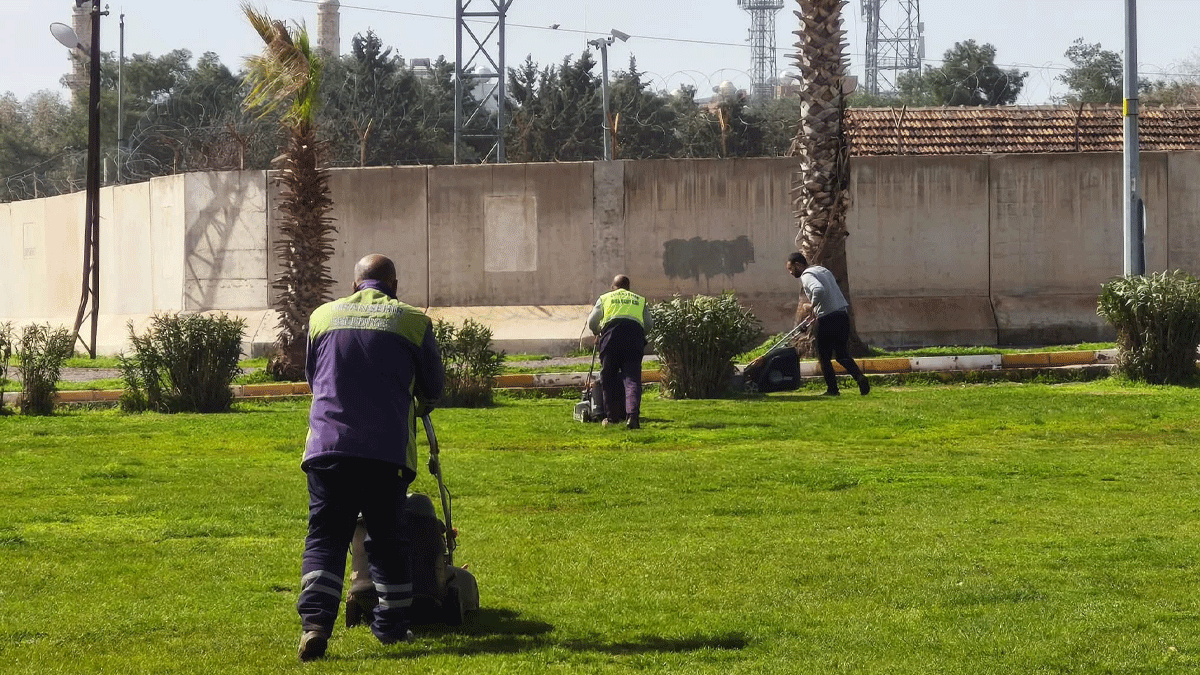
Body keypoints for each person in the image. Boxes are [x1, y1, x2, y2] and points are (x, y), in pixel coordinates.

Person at [296, 253, 444, 661]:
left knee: (325, 537)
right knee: (387, 540)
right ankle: (392, 628)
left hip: (328, 449)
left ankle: (315, 626)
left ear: (354, 284)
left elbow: (314, 378)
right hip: (386, 453)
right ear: (394, 285)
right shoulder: (413, 321)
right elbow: (433, 387)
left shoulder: (322, 317)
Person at [786, 251, 870, 397]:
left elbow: (818, 290)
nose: (791, 273)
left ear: (798, 265)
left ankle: (833, 390)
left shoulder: (807, 275)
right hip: (842, 315)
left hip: (827, 320)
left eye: (791, 269)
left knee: (823, 356)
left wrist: (811, 306)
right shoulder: (822, 270)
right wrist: (816, 311)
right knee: (842, 354)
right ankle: (860, 377)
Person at [587, 274, 653, 429]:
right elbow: (649, 324)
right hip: (634, 339)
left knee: (608, 377)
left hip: (611, 338)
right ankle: (632, 417)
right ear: (629, 288)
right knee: (632, 379)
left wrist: (598, 332)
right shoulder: (639, 300)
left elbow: (592, 322)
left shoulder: (605, 298)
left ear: (612, 287)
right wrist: (639, 335)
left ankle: (612, 418)